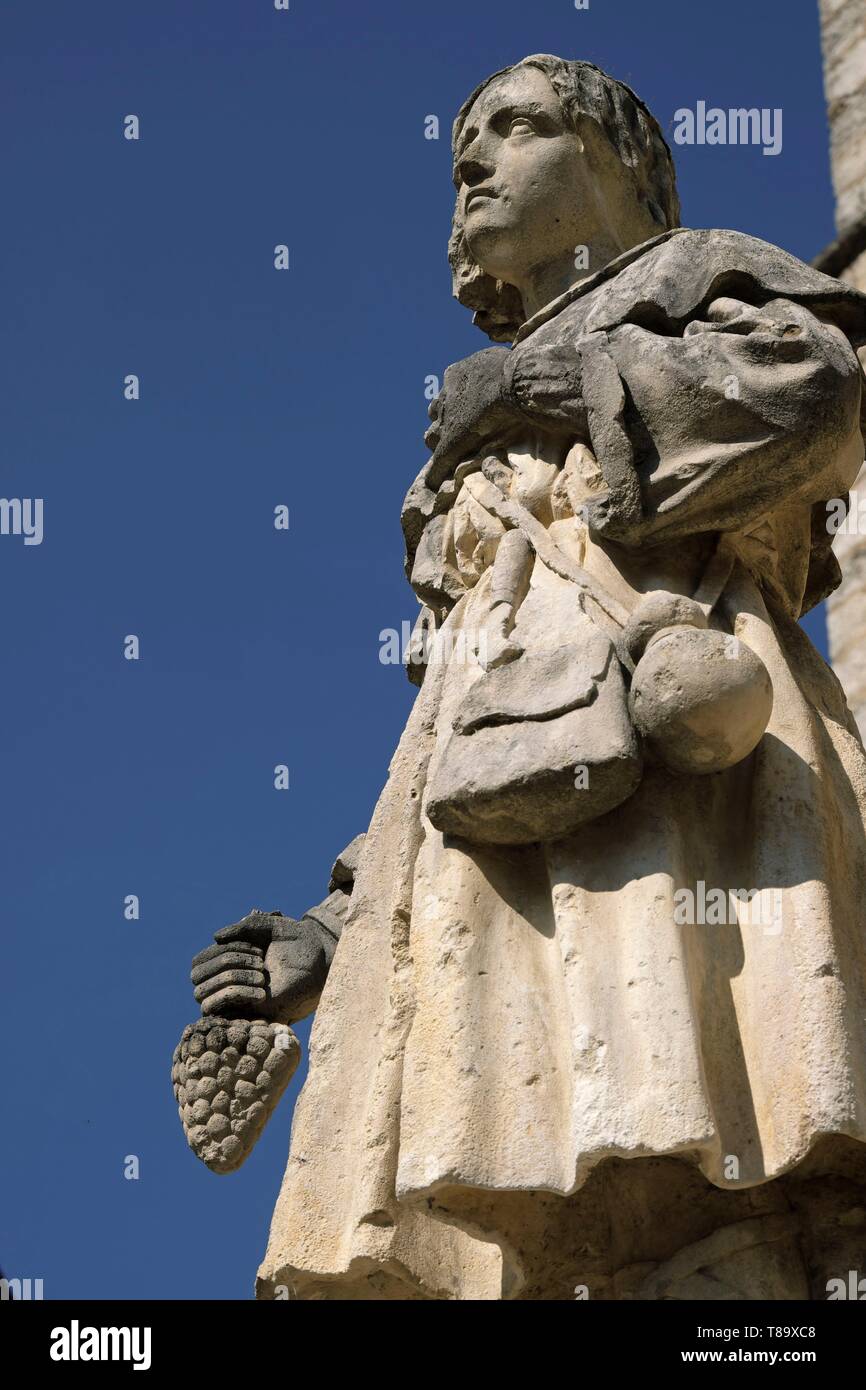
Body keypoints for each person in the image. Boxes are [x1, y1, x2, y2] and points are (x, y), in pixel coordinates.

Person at [192, 56, 866, 1300]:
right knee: (520, 1232)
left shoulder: (693, 274)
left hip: (686, 774)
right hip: (493, 829)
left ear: (613, 161)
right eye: (462, 141)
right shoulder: (452, 439)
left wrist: (534, 381)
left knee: (723, 1173)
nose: (471, 161)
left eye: (516, 125)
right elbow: (456, 708)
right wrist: (336, 926)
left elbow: (813, 398)